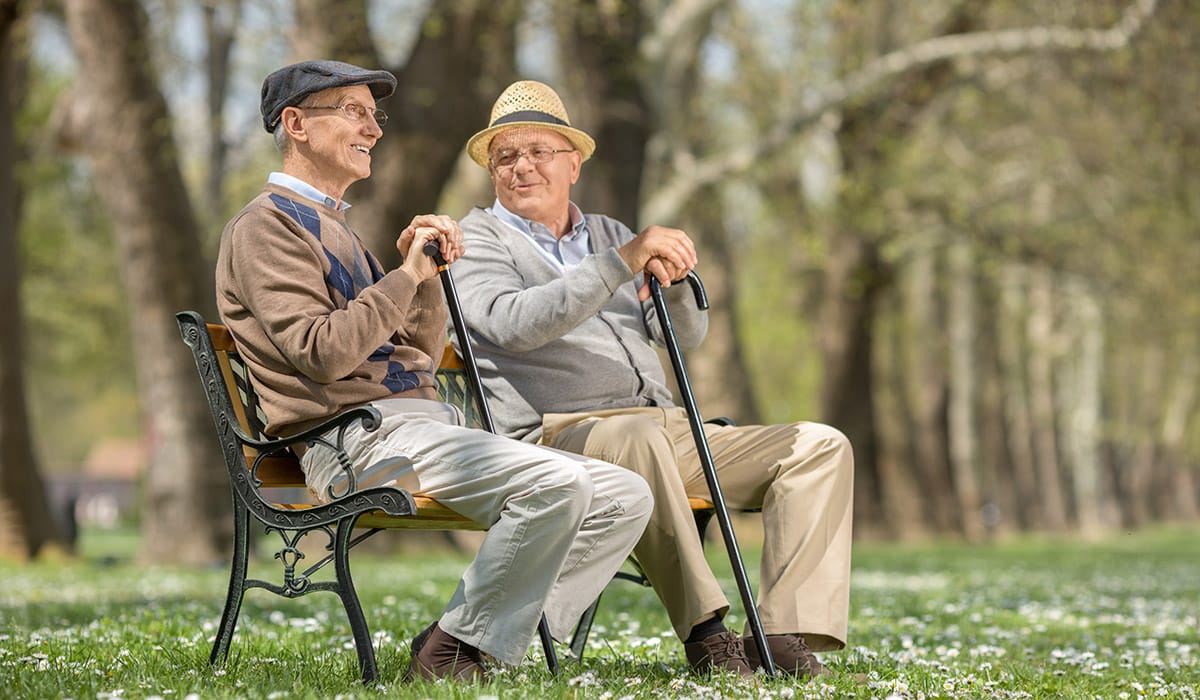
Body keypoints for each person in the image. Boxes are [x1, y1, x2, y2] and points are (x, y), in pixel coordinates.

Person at [215, 61, 652, 682]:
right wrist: (406, 277)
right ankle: (454, 654)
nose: (373, 128)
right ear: (296, 124)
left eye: (374, 114)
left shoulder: (337, 229)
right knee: (557, 484)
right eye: (353, 111)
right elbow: (322, 353)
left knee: (626, 494)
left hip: (412, 430)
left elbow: (412, 354)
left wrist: (426, 281)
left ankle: (470, 642)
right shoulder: (265, 229)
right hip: (352, 443)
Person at [451, 80, 855, 678]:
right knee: (637, 444)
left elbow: (681, 339)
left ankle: (784, 637)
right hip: (560, 437)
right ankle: (707, 634)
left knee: (820, 446)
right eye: (505, 156)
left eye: (538, 151)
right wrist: (620, 263)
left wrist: (678, 281)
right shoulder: (478, 238)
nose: (520, 167)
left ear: (574, 163)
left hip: (669, 427)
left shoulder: (610, 232)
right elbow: (512, 325)